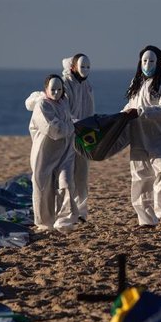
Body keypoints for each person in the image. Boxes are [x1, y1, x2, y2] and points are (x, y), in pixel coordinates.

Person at [122, 45, 161, 228]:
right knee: (140, 177)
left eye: (152, 61)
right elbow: (129, 105)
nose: (148, 64)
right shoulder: (136, 82)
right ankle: (146, 219)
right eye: (144, 61)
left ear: (159, 62)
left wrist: (141, 111)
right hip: (139, 136)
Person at [24, 74, 78, 233]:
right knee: (43, 187)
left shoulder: (64, 102)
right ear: (45, 89)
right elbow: (52, 129)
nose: (56, 93)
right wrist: (72, 127)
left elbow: (68, 120)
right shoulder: (42, 106)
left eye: (59, 89)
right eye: (53, 89)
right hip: (45, 153)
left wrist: (73, 124)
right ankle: (45, 223)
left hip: (66, 150)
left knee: (66, 183)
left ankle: (64, 221)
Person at [61, 53, 95, 222]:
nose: (85, 70)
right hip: (68, 135)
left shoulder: (87, 85)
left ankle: (81, 213)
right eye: (82, 66)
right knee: (66, 177)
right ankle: (67, 212)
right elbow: (64, 109)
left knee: (82, 175)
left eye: (88, 67)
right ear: (73, 67)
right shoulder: (65, 84)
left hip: (83, 135)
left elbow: (89, 109)